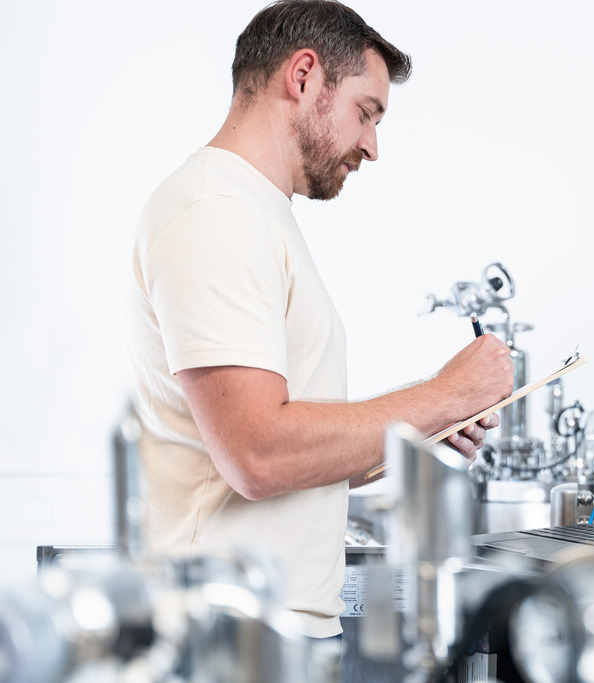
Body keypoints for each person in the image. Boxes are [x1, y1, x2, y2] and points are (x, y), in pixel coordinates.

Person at [125, 0, 514, 639]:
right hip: (229, 640)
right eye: (367, 112)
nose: (373, 146)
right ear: (303, 76)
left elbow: (289, 452)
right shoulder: (215, 212)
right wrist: (447, 393)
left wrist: (419, 429)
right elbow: (258, 453)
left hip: (262, 636)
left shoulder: (253, 211)